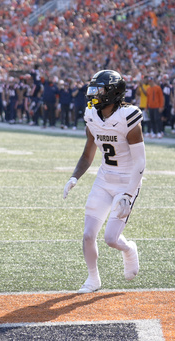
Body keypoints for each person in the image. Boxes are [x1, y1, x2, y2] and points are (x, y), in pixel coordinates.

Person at [63, 70, 144, 294]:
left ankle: (128, 250)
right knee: (88, 234)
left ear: (113, 92)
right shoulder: (91, 115)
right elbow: (88, 153)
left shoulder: (128, 117)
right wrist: (74, 177)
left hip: (128, 179)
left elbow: (140, 163)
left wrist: (129, 194)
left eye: (99, 89)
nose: (93, 94)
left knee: (111, 238)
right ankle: (93, 279)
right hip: (104, 177)